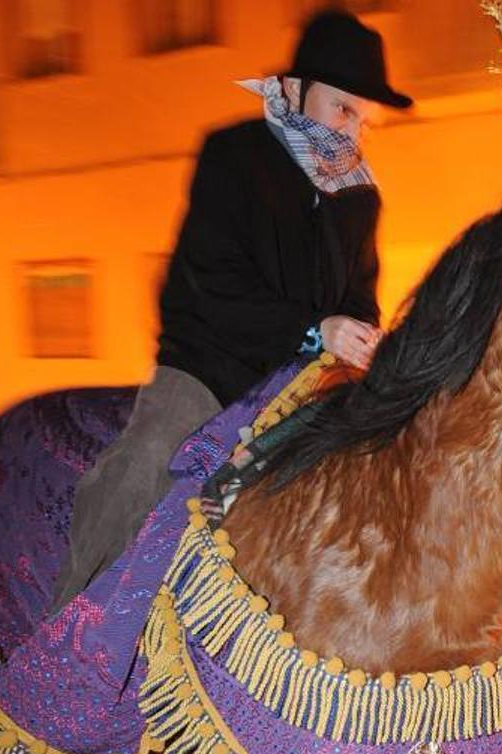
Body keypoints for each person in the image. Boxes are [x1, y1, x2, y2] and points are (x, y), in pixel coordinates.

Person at [51, 9, 412, 609]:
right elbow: (210, 282)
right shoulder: (232, 156)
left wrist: (360, 336)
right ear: (295, 91)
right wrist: (314, 328)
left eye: (363, 120)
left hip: (301, 382)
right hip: (207, 369)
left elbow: (359, 296)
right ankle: (68, 633)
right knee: (145, 463)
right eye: (342, 109)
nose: (352, 132)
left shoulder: (359, 196)